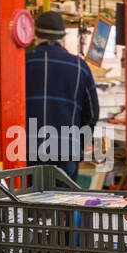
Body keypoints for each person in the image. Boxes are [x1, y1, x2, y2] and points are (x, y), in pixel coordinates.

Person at [25, 10, 100, 181]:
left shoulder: (23, 63)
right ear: (62, 36)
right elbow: (93, 114)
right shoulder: (80, 67)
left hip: (27, 150)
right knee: (63, 204)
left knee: (29, 205)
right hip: (67, 151)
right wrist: (79, 143)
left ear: (36, 34)